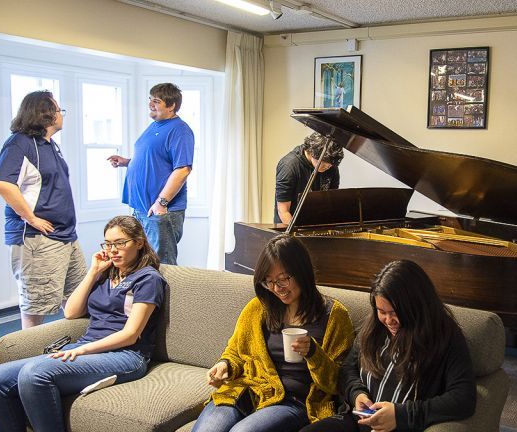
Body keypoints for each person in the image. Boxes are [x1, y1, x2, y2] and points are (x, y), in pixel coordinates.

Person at [0, 215, 167, 431]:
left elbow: (131, 334)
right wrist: (93, 271)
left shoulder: (148, 279)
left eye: (120, 243)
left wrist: (83, 350)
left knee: (35, 374)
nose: (113, 250)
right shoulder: (106, 273)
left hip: (127, 355)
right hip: (87, 346)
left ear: (139, 243)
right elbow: (70, 312)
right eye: (108, 244)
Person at [192, 234, 355, 432]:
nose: (277, 289)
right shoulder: (258, 308)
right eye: (268, 282)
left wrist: (313, 353)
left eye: (283, 279)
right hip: (249, 390)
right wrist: (224, 365)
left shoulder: (334, 316)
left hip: (294, 401)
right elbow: (235, 352)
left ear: (302, 272)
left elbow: (339, 381)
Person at [301, 260, 476, 432]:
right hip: (358, 420)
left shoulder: (446, 336)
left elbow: (463, 398)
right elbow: (348, 369)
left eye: (394, 313)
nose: (388, 320)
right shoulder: (374, 328)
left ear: (415, 306)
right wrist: (357, 394)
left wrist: (400, 416)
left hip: (402, 425)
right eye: (381, 312)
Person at [0, 90, 87, 329]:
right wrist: (32, 218)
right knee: (36, 309)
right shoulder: (19, 143)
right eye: (58, 110)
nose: (61, 115)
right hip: (39, 240)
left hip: (66, 237)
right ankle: (28, 362)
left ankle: (79, 354)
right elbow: (3, 183)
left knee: (78, 301)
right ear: (45, 114)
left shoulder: (49, 145)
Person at [108, 83, 194, 265]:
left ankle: (165, 295)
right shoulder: (154, 126)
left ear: (171, 106)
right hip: (141, 208)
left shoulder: (180, 130)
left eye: (156, 101)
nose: (150, 104)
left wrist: (161, 202)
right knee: (143, 262)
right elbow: (153, 160)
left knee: (162, 264)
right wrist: (127, 162)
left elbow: (183, 169)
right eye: (150, 100)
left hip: (160, 210)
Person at [274, 133, 344, 225]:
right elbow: (283, 211)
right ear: (311, 152)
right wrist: (300, 236)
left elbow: (331, 201)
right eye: (324, 163)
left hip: (317, 224)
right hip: (288, 224)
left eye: (331, 164)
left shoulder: (331, 165)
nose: (328, 166)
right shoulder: (289, 167)